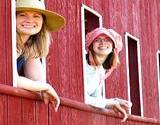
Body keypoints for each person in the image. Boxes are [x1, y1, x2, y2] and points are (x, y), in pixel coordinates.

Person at [16, 0, 65, 112]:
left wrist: (42, 86)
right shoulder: (6, 42)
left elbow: (37, 80)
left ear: (42, 21)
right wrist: (46, 87)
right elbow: (11, 79)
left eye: (36, 16)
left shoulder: (29, 47)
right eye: (22, 15)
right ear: (13, 18)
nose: (30, 20)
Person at [84, 27, 132, 122]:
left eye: (107, 40)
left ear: (113, 48)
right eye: (97, 40)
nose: (103, 43)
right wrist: (110, 103)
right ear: (90, 45)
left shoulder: (100, 71)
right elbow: (79, 96)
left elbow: (96, 99)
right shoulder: (82, 64)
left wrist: (115, 101)